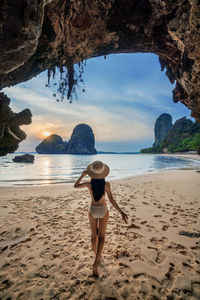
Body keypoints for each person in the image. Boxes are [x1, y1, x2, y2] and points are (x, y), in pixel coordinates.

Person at [74, 160, 128, 277]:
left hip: (93, 210)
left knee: (94, 235)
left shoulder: (89, 184)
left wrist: (82, 175)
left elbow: (76, 186)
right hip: (103, 210)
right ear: (103, 173)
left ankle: (97, 256)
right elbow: (111, 200)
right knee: (102, 236)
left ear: (92, 173)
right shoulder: (106, 184)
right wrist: (121, 212)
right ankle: (96, 262)